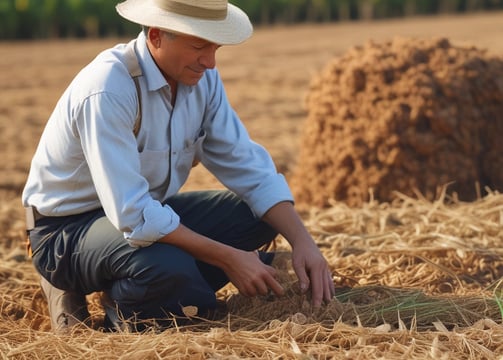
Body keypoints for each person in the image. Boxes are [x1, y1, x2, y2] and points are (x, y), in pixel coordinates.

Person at [22, 0, 335, 333]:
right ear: (156, 36)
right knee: (166, 269)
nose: (211, 62)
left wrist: (304, 242)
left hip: (138, 220)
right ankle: (108, 303)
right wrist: (229, 258)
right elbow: (134, 213)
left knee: (256, 214)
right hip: (66, 231)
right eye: (199, 46)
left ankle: (154, 285)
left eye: (215, 47)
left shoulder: (202, 80)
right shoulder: (108, 88)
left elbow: (247, 166)